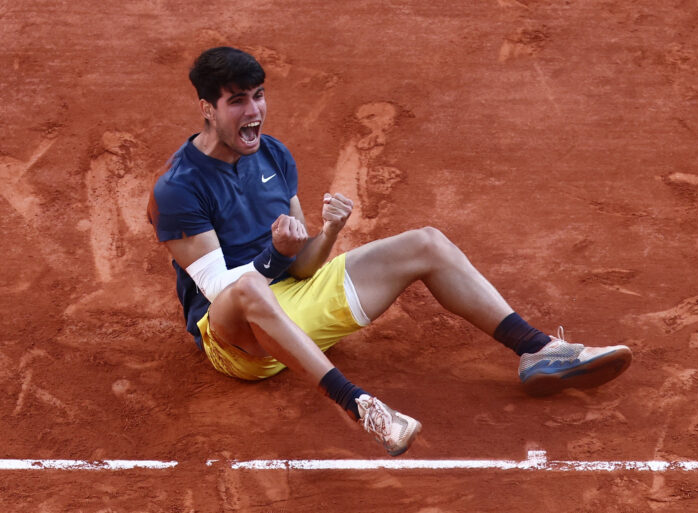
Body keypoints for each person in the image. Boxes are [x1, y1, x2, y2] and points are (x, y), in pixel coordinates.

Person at [147, 46, 632, 457]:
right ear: (207, 108)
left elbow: (305, 266)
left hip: (293, 302)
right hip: (239, 342)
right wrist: (276, 256)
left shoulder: (273, 154)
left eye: (258, 96)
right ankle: (363, 407)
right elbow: (222, 291)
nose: (253, 112)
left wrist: (330, 232)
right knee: (252, 284)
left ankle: (539, 351)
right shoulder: (177, 190)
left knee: (426, 242)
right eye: (237, 102)